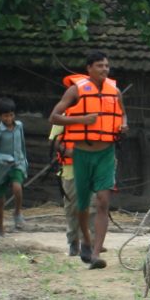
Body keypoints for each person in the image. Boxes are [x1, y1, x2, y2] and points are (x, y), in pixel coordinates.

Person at [49, 51, 125, 269]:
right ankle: (84, 240)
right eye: (100, 66)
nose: (104, 70)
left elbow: (123, 114)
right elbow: (54, 116)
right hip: (81, 155)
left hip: (106, 154)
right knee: (81, 205)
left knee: (102, 201)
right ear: (89, 68)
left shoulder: (115, 91)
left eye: (107, 66)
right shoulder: (75, 90)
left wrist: (124, 124)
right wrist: (83, 119)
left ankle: (94, 252)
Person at [0, 97, 29, 235]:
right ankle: (0, 228)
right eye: (5, 116)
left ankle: (17, 212)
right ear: (0, 116)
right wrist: (3, 158)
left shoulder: (19, 126)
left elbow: (22, 144)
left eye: (11, 115)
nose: (9, 118)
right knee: (0, 200)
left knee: (17, 187)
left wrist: (24, 160)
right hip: (1, 167)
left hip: (17, 163)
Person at [49, 125, 82, 257]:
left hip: (91, 165)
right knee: (72, 206)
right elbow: (53, 141)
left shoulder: (95, 113)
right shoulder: (64, 116)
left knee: (92, 205)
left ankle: (90, 243)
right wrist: (66, 151)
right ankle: (74, 241)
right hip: (70, 168)